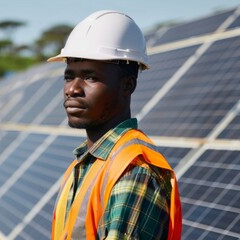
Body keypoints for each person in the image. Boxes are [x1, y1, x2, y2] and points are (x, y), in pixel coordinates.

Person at [47, 10, 182, 240]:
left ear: (127, 85)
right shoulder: (83, 165)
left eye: (90, 77)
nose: (72, 89)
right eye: (69, 76)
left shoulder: (133, 170)